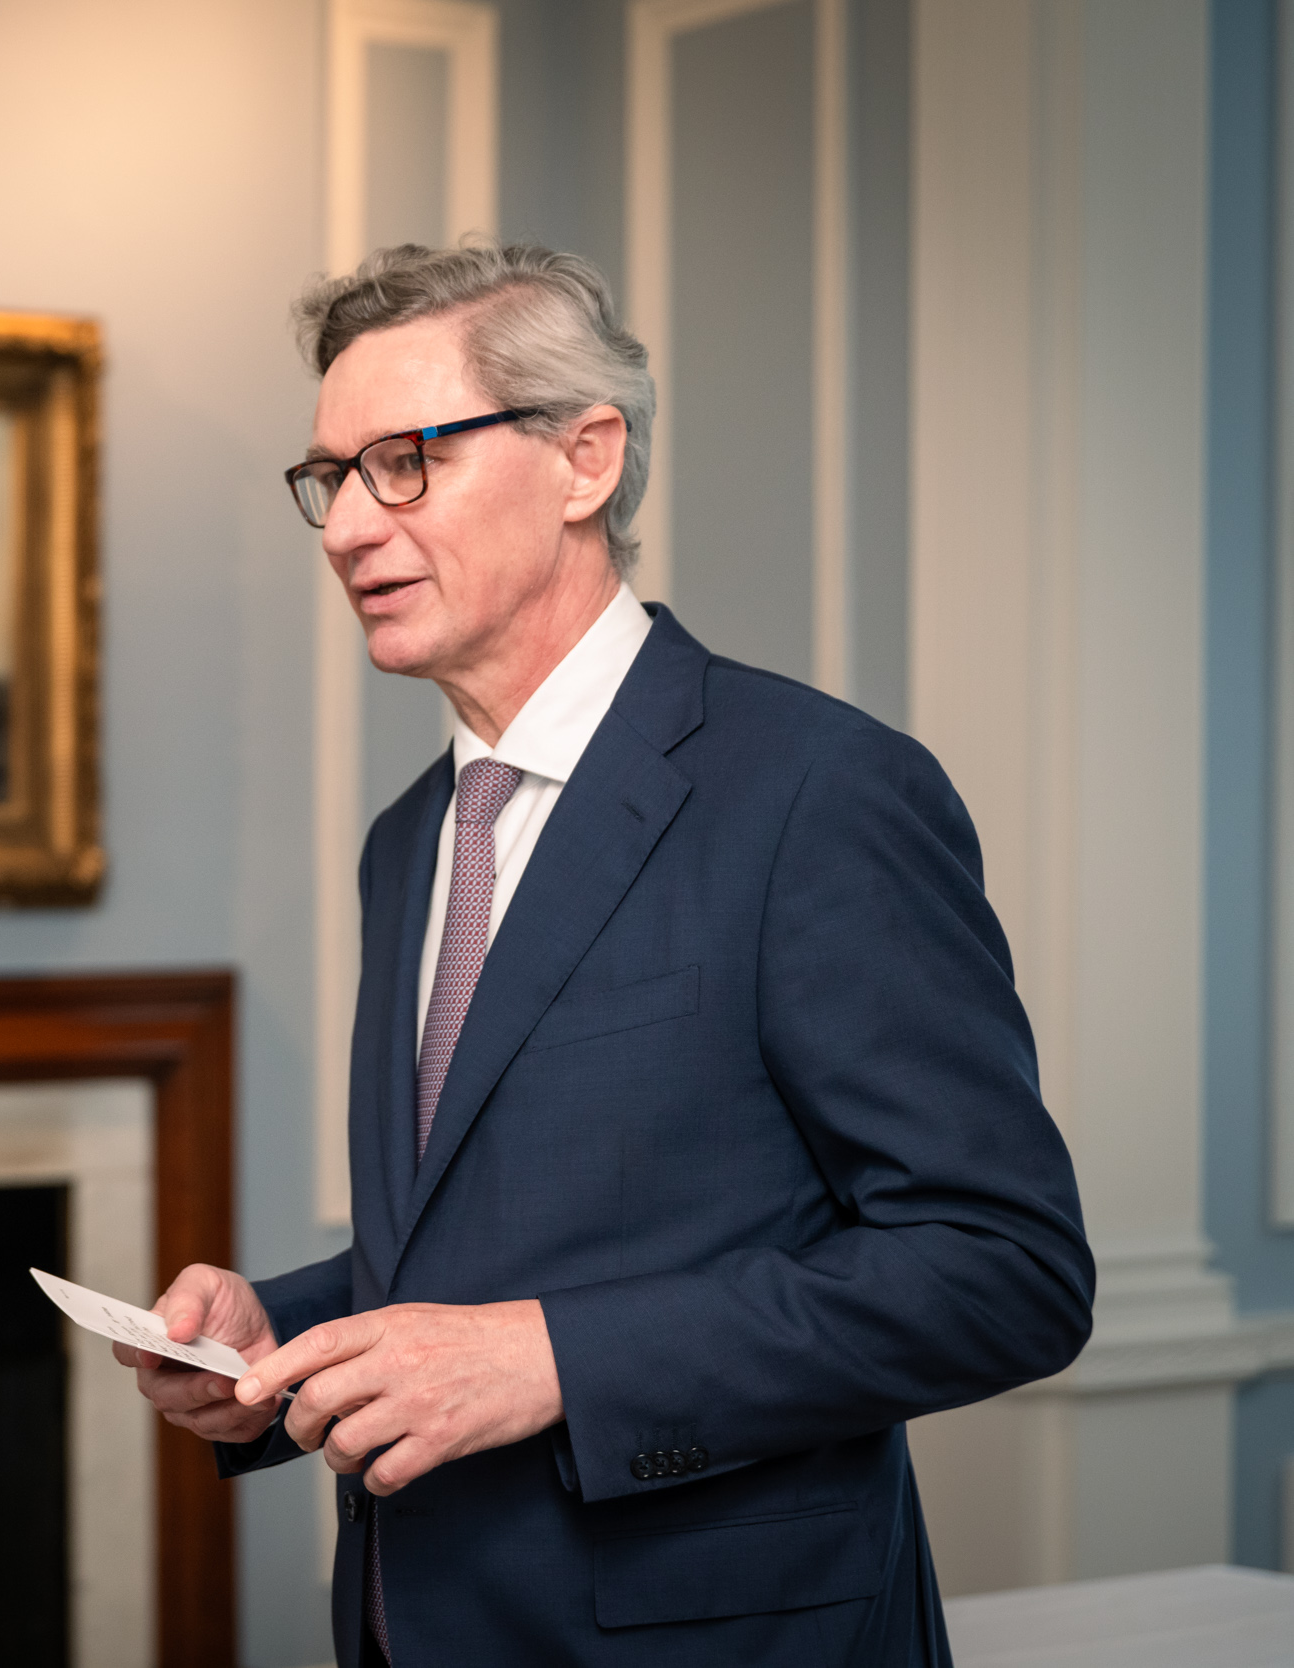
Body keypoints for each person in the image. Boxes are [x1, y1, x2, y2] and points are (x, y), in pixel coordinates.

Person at [114, 242, 1093, 1665]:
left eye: (406, 463)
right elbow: (494, 1234)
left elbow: (1002, 1271)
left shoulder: (819, 792)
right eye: (331, 478)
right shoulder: (412, 838)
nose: (346, 527)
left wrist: (556, 1362)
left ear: (586, 459)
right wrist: (283, 1331)